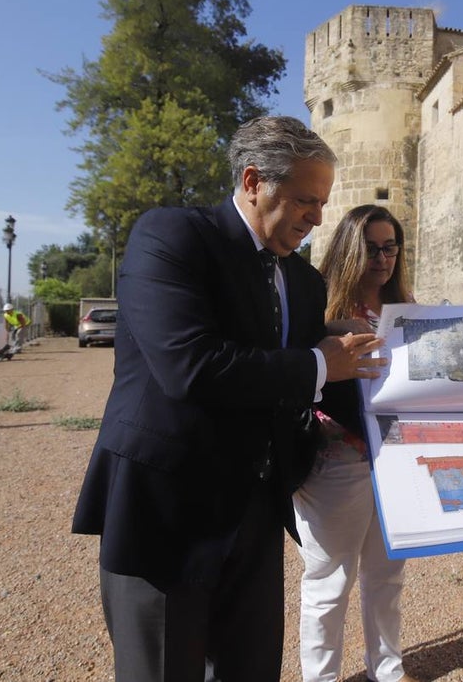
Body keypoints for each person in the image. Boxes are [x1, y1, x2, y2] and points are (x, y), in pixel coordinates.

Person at [71, 115, 387, 682]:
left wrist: (399, 394)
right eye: (305, 201)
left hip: (256, 512)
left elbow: (294, 373)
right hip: (168, 509)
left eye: (322, 204)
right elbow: (189, 367)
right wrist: (322, 360)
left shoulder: (304, 282)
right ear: (251, 182)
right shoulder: (172, 237)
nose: (317, 218)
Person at [293, 205, 418, 682]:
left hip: (396, 457)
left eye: (390, 247)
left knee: (387, 576)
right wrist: (330, 333)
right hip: (339, 458)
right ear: (349, 249)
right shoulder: (319, 306)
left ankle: (387, 670)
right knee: (329, 583)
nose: (382, 258)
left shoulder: (405, 306)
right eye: (371, 248)